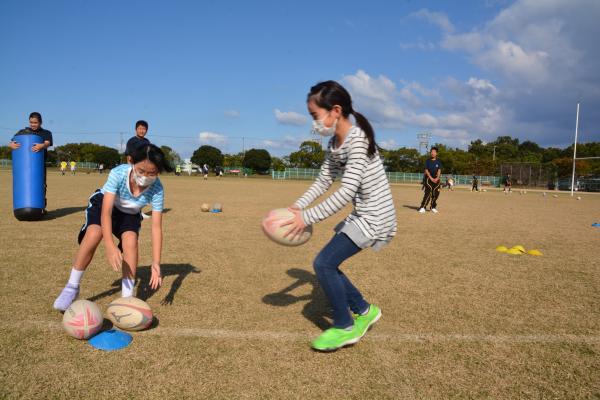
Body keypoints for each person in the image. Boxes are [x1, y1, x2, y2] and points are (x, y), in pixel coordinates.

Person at [283, 81, 397, 352]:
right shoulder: (335, 143)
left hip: (376, 216)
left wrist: (307, 217)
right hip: (362, 214)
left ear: (335, 111)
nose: (313, 123)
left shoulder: (358, 140)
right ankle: (364, 310)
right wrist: (297, 207)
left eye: (314, 115)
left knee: (323, 263)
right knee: (329, 263)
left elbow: (346, 190)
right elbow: (324, 180)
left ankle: (345, 325)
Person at [53, 144, 171, 311]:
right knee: (95, 233)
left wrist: (156, 263)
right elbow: (106, 212)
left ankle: (127, 298)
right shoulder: (119, 173)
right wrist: (109, 245)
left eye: (152, 173)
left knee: (130, 241)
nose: (146, 177)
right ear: (131, 162)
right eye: (141, 171)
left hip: (130, 213)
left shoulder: (157, 188)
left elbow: (156, 227)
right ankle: (71, 288)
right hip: (105, 205)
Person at [8, 112, 53, 213]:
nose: (33, 124)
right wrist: (10, 144)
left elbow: (47, 142)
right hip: (23, 165)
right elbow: (12, 141)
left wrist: (41, 146)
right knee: (23, 184)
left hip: (39, 164)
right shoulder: (23, 132)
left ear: (40, 122)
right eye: (31, 122)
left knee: (42, 185)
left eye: (35, 122)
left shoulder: (46, 133)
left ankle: (41, 207)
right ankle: (21, 205)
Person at [418, 147, 442, 213]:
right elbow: (426, 170)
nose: (432, 153)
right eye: (431, 152)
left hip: (436, 180)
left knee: (436, 193)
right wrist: (431, 178)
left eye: (434, 152)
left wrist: (437, 178)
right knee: (428, 193)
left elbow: (439, 170)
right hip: (428, 179)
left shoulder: (438, 161)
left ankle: (433, 207)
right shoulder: (427, 161)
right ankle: (423, 207)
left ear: (436, 153)